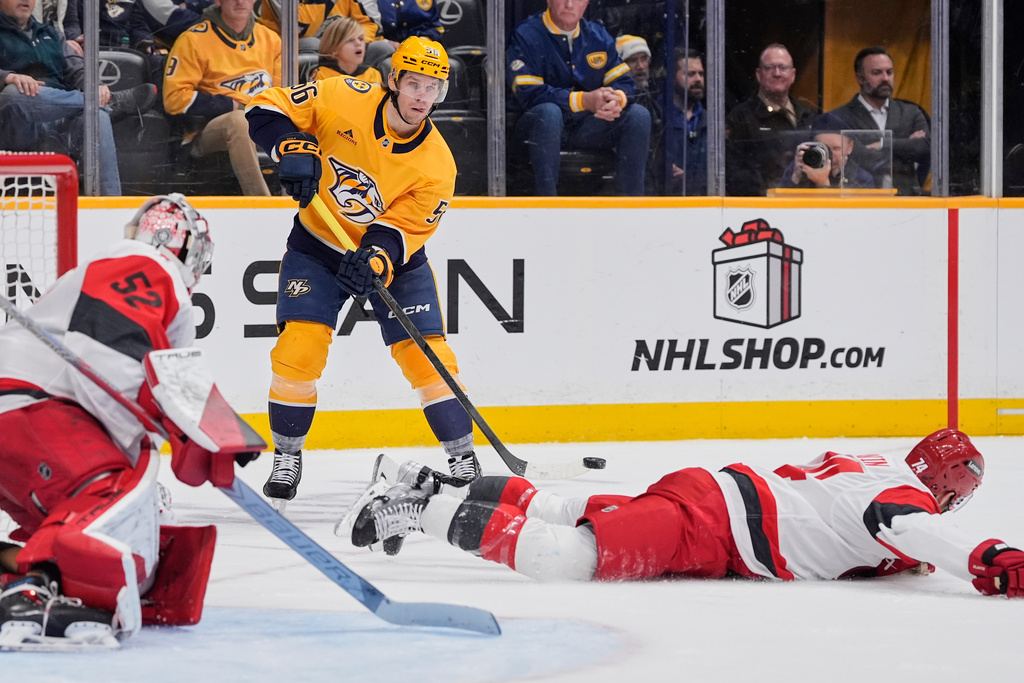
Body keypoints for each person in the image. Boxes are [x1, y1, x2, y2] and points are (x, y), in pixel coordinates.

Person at [344, 429, 1024, 599]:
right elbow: (918, 529)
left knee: (559, 505)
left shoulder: (876, 462)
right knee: (568, 558)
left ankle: (417, 476)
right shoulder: (903, 503)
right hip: (713, 529)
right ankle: (419, 507)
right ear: (948, 485)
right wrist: (993, 559)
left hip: (711, 495)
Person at [0, 195, 248, 649]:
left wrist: (210, 430)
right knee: (113, 488)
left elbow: (161, 372)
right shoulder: (148, 266)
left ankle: (20, 573)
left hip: (21, 415)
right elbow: (108, 351)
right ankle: (31, 590)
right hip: (30, 408)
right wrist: (175, 427)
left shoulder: (117, 269)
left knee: (62, 516)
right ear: (190, 252)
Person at [245, 36, 480, 503]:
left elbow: (405, 228)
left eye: (433, 88)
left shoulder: (438, 165)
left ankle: (463, 458)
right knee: (299, 349)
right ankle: (288, 456)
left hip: (392, 261)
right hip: (317, 245)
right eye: (414, 84)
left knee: (427, 356)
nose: (421, 98)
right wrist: (288, 144)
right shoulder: (340, 95)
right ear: (393, 80)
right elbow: (263, 107)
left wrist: (376, 256)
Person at [0, 0, 158, 196]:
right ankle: (108, 102)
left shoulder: (50, 33)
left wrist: (95, 86)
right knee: (14, 94)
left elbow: (77, 69)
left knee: (97, 117)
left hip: (58, 119)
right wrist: (6, 77)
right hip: (15, 126)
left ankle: (108, 207)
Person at [507, 0, 651, 196]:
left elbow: (626, 83)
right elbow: (528, 93)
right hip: (534, 130)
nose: (569, 4)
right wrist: (584, 100)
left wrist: (615, 99)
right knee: (549, 113)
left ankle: (632, 206)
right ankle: (546, 206)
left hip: (585, 129)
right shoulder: (527, 34)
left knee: (638, 115)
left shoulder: (598, 35)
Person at [162, 0, 281, 196]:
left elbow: (282, 94)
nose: (240, 1)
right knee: (240, 121)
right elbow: (174, 98)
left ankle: (298, 209)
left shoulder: (272, 40)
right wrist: (230, 104)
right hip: (207, 131)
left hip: (261, 123)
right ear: (218, 1)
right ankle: (263, 205)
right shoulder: (192, 40)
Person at [825, 46, 931, 196]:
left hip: (907, 202)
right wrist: (905, 146)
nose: (885, 78)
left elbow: (925, 149)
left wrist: (883, 144)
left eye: (889, 72)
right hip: (861, 203)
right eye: (877, 73)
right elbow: (853, 158)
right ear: (860, 78)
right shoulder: (839, 118)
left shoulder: (911, 112)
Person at [725, 43, 816, 196]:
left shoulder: (809, 116)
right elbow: (736, 174)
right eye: (769, 68)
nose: (777, 73)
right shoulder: (740, 118)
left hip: (806, 206)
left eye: (783, 68)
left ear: (793, 75)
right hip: (763, 209)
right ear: (758, 75)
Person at [616, 34, 662, 195]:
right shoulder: (615, 104)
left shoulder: (654, 100)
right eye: (632, 60)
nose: (641, 66)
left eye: (644, 59)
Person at [778, 114, 875, 190]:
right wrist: (796, 177)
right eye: (823, 147)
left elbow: (850, 213)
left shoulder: (861, 178)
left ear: (850, 147)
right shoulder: (797, 169)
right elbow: (780, 206)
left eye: (836, 148)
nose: (829, 154)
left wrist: (823, 184)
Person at [664, 47, 706, 195]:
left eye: (701, 74)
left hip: (705, 207)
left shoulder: (711, 123)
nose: (698, 79)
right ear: (672, 77)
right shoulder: (658, 118)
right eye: (690, 74)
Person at [310, 15, 382, 86]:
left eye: (361, 39)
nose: (358, 43)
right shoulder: (321, 75)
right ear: (334, 48)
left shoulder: (373, 74)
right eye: (350, 40)